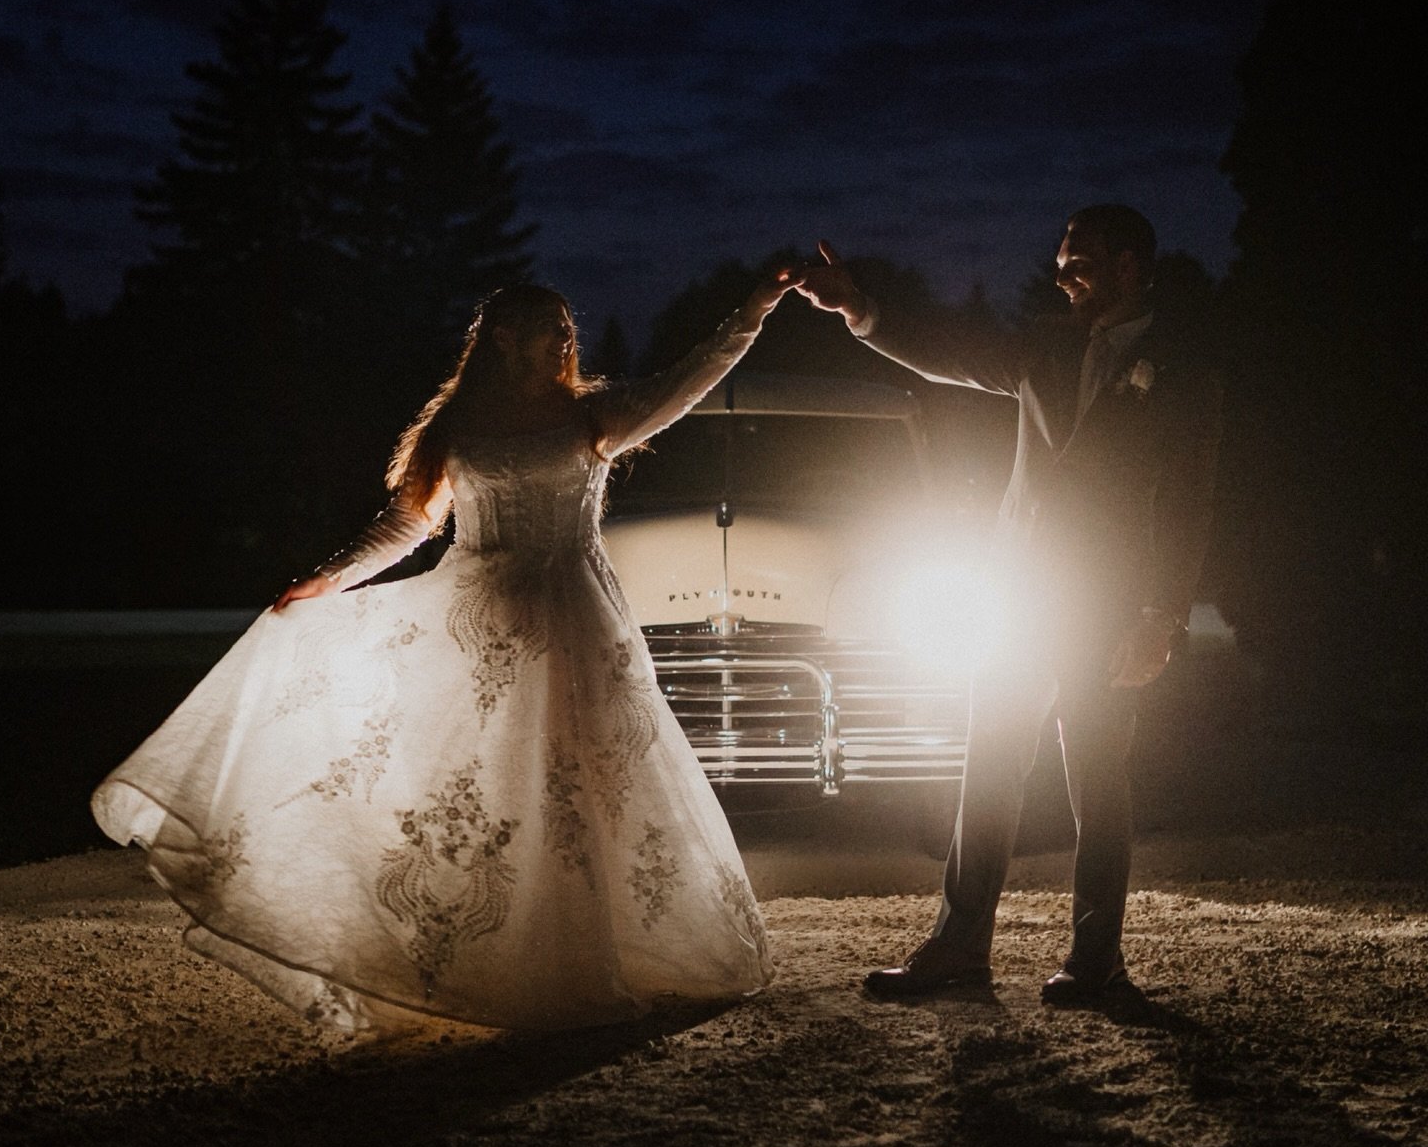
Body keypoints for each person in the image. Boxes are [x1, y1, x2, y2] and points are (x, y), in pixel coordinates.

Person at [93, 274, 798, 1035]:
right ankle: (493, 959)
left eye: (568, 328)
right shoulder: (457, 424)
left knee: (586, 786)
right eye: (549, 327)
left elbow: (689, 379)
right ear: (504, 338)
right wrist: (329, 579)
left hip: (576, 617)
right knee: (487, 787)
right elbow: (406, 524)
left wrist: (755, 309)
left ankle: (595, 954)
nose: (565, 340)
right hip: (481, 620)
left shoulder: (590, 416)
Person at [794, 206, 1221, 1005]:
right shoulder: (1042, 345)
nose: (1063, 278)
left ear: (1129, 266)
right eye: (1059, 264)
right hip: (1019, 592)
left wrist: (1161, 618)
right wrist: (860, 310)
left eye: (1079, 263)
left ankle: (1096, 963)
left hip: (1108, 606)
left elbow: (1188, 505)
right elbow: (949, 353)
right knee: (987, 766)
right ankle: (961, 948)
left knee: (1098, 783)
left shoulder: (1184, 370)